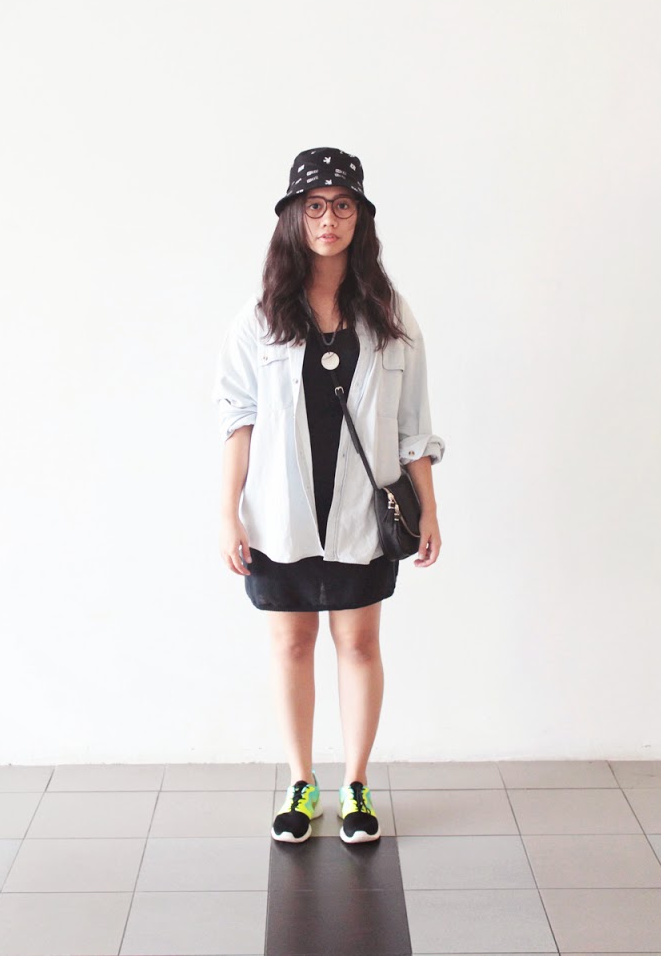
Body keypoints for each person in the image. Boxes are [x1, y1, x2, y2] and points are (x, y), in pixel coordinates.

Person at [211, 146, 445, 845]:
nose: (328, 220)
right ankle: (300, 781)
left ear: (360, 218)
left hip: (360, 515)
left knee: (359, 643)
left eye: (342, 206)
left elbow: (413, 426)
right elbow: (238, 420)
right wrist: (227, 514)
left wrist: (430, 510)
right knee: (291, 644)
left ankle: (357, 785)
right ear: (293, 217)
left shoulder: (390, 315)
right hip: (279, 515)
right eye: (314, 206)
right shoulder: (260, 318)